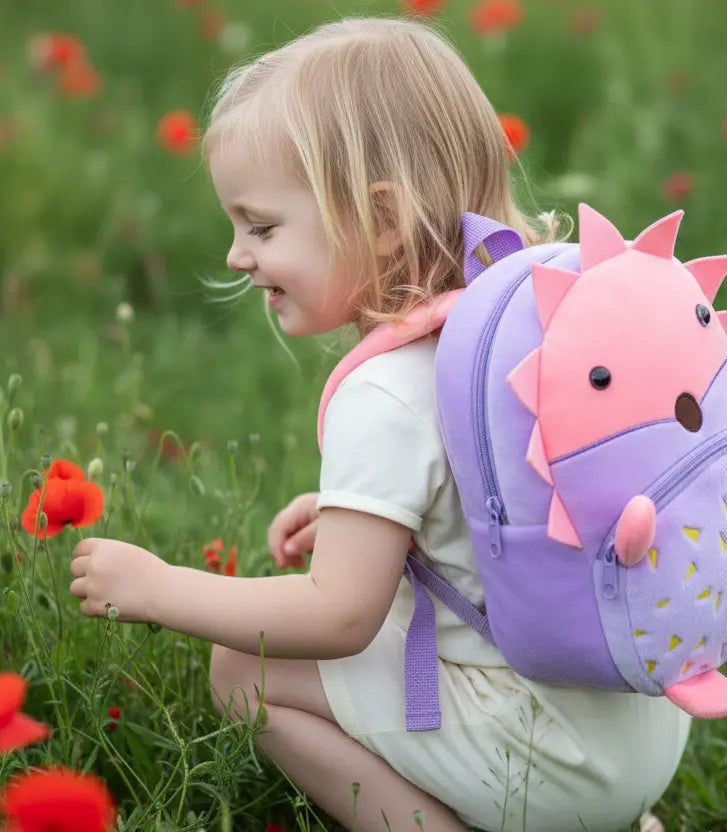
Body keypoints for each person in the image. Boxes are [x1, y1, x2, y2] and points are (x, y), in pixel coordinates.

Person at [70, 15, 691, 832]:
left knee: (243, 671)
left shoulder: (391, 390)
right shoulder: (524, 329)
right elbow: (498, 509)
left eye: (261, 226)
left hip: (544, 763)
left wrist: (160, 588)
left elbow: (339, 617)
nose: (236, 255)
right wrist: (361, 518)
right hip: (641, 717)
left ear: (384, 220)